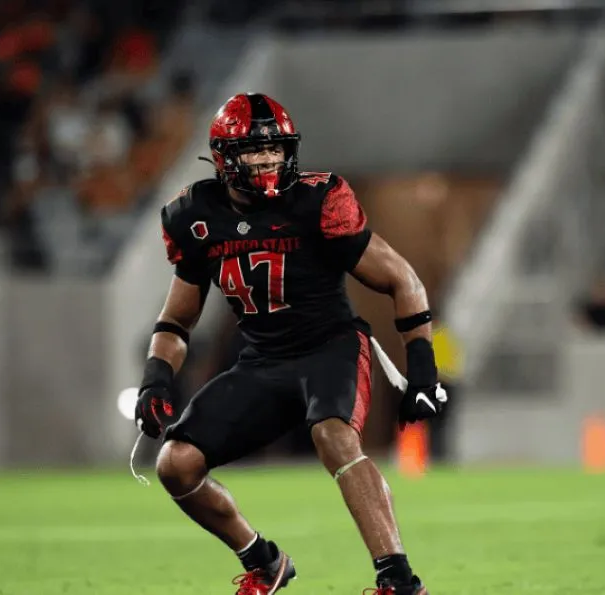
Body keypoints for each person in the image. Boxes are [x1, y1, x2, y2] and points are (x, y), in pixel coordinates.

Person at [134, 93, 445, 595]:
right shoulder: (194, 216)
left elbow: (402, 278)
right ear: (224, 158)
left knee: (334, 437)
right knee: (176, 464)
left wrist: (424, 365)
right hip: (263, 361)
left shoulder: (318, 200)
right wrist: (156, 378)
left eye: (275, 150)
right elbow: (176, 320)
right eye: (255, 152)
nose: (268, 161)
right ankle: (264, 562)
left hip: (332, 346)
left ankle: (399, 581)